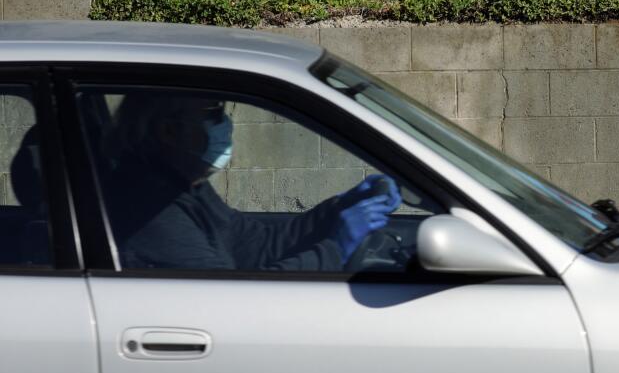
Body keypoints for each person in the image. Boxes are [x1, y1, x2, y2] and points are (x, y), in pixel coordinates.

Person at [99, 93, 400, 272]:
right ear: (168, 131)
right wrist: (336, 249)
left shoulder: (182, 185)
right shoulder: (152, 212)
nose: (225, 123)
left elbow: (254, 246)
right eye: (211, 114)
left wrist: (338, 209)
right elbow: (237, 303)